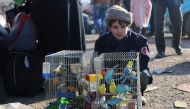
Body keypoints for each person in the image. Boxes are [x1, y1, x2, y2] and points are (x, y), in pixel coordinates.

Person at [94, 5, 152, 105]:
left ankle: (137, 94)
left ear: (129, 26)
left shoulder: (139, 40)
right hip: (110, 76)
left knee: (144, 75)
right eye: (115, 27)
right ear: (109, 27)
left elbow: (145, 61)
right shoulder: (101, 42)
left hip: (132, 75)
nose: (119, 31)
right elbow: (97, 62)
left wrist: (130, 72)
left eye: (123, 27)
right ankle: (108, 93)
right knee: (96, 77)